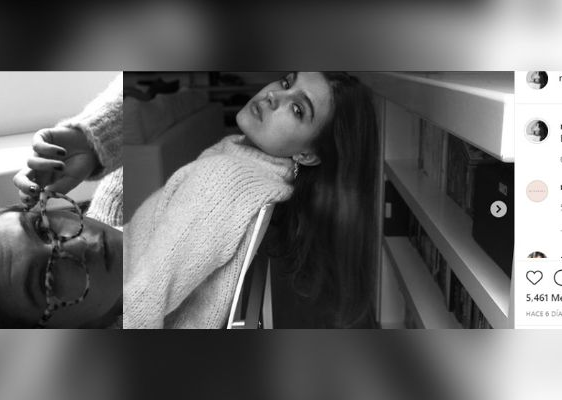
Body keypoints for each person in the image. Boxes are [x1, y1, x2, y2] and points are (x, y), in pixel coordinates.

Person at [122, 72, 379, 328]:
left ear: (307, 155)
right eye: (286, 82)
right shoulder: (264, 173)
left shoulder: (225, 180)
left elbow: (143, 301)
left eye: (298, 109)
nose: (274, 95)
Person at [0, 73, 123, 328]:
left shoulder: (121, 193)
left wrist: (92, 139)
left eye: (43, 228)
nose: (76, 244)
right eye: (48, 280)